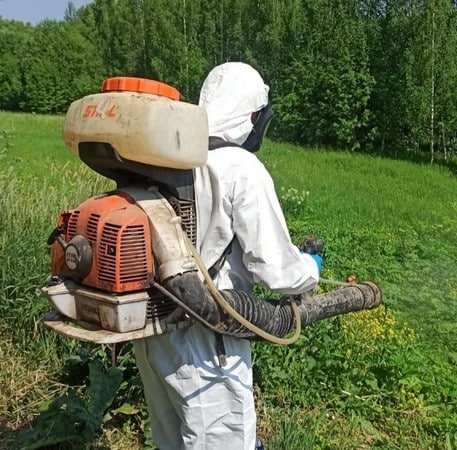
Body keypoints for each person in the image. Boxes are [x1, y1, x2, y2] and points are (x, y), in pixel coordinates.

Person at [133, 62, 322, 450]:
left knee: (170, 441)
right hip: (210, 339)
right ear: (252, 115)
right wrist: (311, 268)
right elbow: (277, 271)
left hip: (155, 333)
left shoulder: (168, 156)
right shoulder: (239, 166)